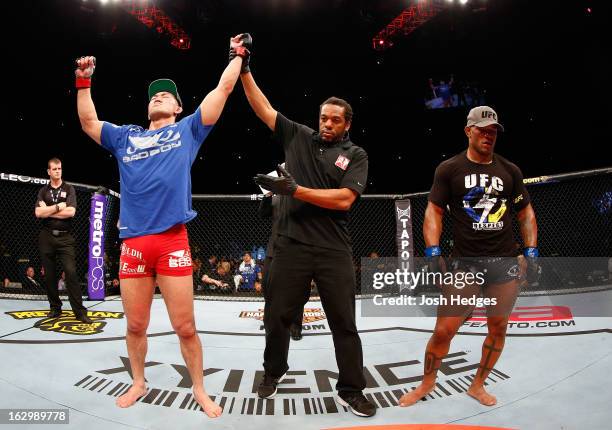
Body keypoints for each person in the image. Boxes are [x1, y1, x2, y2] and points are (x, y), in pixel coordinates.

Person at [75, 33, 251, 418]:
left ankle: (200, 389)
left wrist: (236, 56)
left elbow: (223, 88)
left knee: (185, 327)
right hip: (134, 242)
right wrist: (84, 81)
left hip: (173, 240)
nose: (158, 96)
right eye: (153, 94)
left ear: (178, 106)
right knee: (136, 325)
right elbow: (88, 121)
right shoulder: (126, 137)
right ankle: (138, 382)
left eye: (166, 94)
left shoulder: (188, 130)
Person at [235, 34, 375, 417]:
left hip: (332, 248)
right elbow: (262, 107)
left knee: (344, 323)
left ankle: (351, 388)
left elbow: (345, 199)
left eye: (335, 120)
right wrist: (245, 66)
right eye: (323, 118)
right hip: (289, 243)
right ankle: (273, 372)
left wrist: (295, 189)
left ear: (347, 125)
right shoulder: (297, 135)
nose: (327, 124)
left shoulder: (355, 155)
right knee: (276, 318)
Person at [399, 106, 539, 407]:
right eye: (483, 130)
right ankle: (426, 383)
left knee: (498, 327)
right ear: (468, 131)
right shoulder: (449, 169)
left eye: (493, 131)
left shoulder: (510, 170)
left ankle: (477, 385)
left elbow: (525, 212)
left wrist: (531, 250)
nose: (488, 136)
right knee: (444, 329)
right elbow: (434, 210)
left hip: (504, 262)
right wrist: (433, 249)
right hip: (465, 263)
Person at [34, 158, 91, 323]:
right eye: (54, 169)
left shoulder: (69, 188)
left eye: (59, 168)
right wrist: (59, 206)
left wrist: (48, 210)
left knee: (71, 272)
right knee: (49, 275)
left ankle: (79, 312)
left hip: (66, 237)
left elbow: (71, 212)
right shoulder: (43, 191)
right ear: (49, 172)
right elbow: (38, 213)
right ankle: (55, 308)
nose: (58, 171)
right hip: (46, 236)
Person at [258, 193, 304, 341]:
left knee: (297, 289)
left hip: (296, 246)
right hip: (275, 247)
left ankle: (295, 325)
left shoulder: (301, 191)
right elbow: (262, 213)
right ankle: (271, 321)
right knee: (267, 286)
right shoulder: (275, 196)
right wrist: (267, 195)